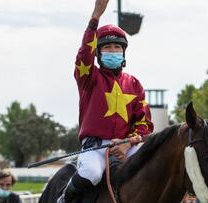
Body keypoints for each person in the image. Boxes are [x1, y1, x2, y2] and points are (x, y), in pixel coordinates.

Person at [59, 0, 154, 202]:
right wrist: (95, 17)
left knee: (155, 165)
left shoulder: (134, 83)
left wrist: (129, 142)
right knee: (92, 174)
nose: (113, 51)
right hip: (95, 147)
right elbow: (84, 55)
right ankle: (64, 199)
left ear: (123, 52)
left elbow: (144, 122)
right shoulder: (89, 78)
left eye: (117, 47)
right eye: (108, 48)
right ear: (99, 54)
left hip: (127, 145)